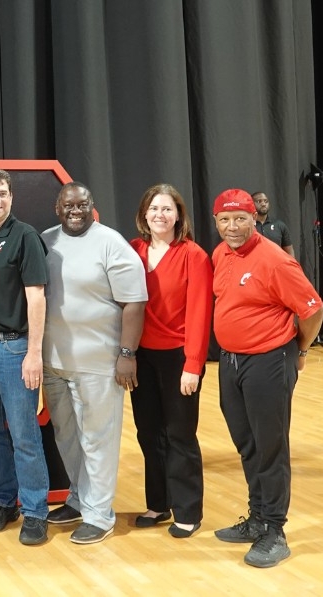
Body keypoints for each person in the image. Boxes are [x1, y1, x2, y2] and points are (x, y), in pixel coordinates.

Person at [210, 189, 322, 568]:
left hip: (270, 361)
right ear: (216, 222)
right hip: (231, 362)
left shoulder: (275, 260)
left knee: (270, 447)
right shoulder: (220, 253)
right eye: (224, 220)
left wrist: (301, 351)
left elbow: (313, 309)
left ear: (253, 218)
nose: (232, 227)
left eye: (240, 218)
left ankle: (275, 530)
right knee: (247, 443)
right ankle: (257, 517)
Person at [41, 182, 147, 545]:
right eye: (68, 205)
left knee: (98, 439)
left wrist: (126, 354)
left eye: (82, 205)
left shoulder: (111, 243)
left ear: (92, 206)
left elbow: (134, 302)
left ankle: (100, 515)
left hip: (100, 363)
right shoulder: (46, 240)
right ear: (57, 208)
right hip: (54, 361)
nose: (75, 211)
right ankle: (78, 497)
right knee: (67, 436)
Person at [0, 169, 51, 546]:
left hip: (14, 348)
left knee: (24, 433)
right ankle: (4, 502)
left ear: (12, 198)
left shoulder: (25, 236)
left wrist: (34, 353)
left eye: (3, 193)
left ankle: (35, 511)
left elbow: (37, 297)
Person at [128, 184, 212, 539]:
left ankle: (188, 510)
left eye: (167, 209)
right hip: (141, 355)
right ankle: (159, 503)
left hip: (179, 356)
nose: (159, 215)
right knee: (148, 433)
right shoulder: (134, 250)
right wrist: (126, 354)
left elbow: (199, 313)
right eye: (153, 209)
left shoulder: (193, 255)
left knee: (180, 435)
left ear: (179, 215)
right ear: (144, 215)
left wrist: (193, 364)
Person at [251, 191, 294, 256]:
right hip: (254, 264)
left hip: (276, 264)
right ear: (251, 204)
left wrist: (291, 265)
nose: (263, 204)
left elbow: (289, 252)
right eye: (259, 201)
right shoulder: (247, 226)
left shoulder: (279, 225)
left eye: (266, 201)